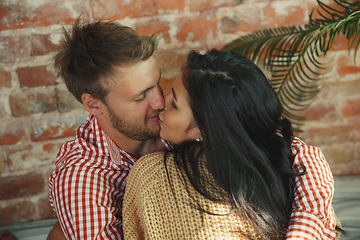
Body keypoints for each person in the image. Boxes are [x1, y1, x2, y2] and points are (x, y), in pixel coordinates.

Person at [123, 49, 340, 239]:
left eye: (175, 104)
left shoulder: (150, 173)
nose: (162, 102)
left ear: (206, 130)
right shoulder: (286, 157)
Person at [47, 18, 172, 239]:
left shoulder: (180, 118)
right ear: (94, 104)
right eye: (141, 96)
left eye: (157, 83)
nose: (160, 102)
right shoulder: (82, 180)